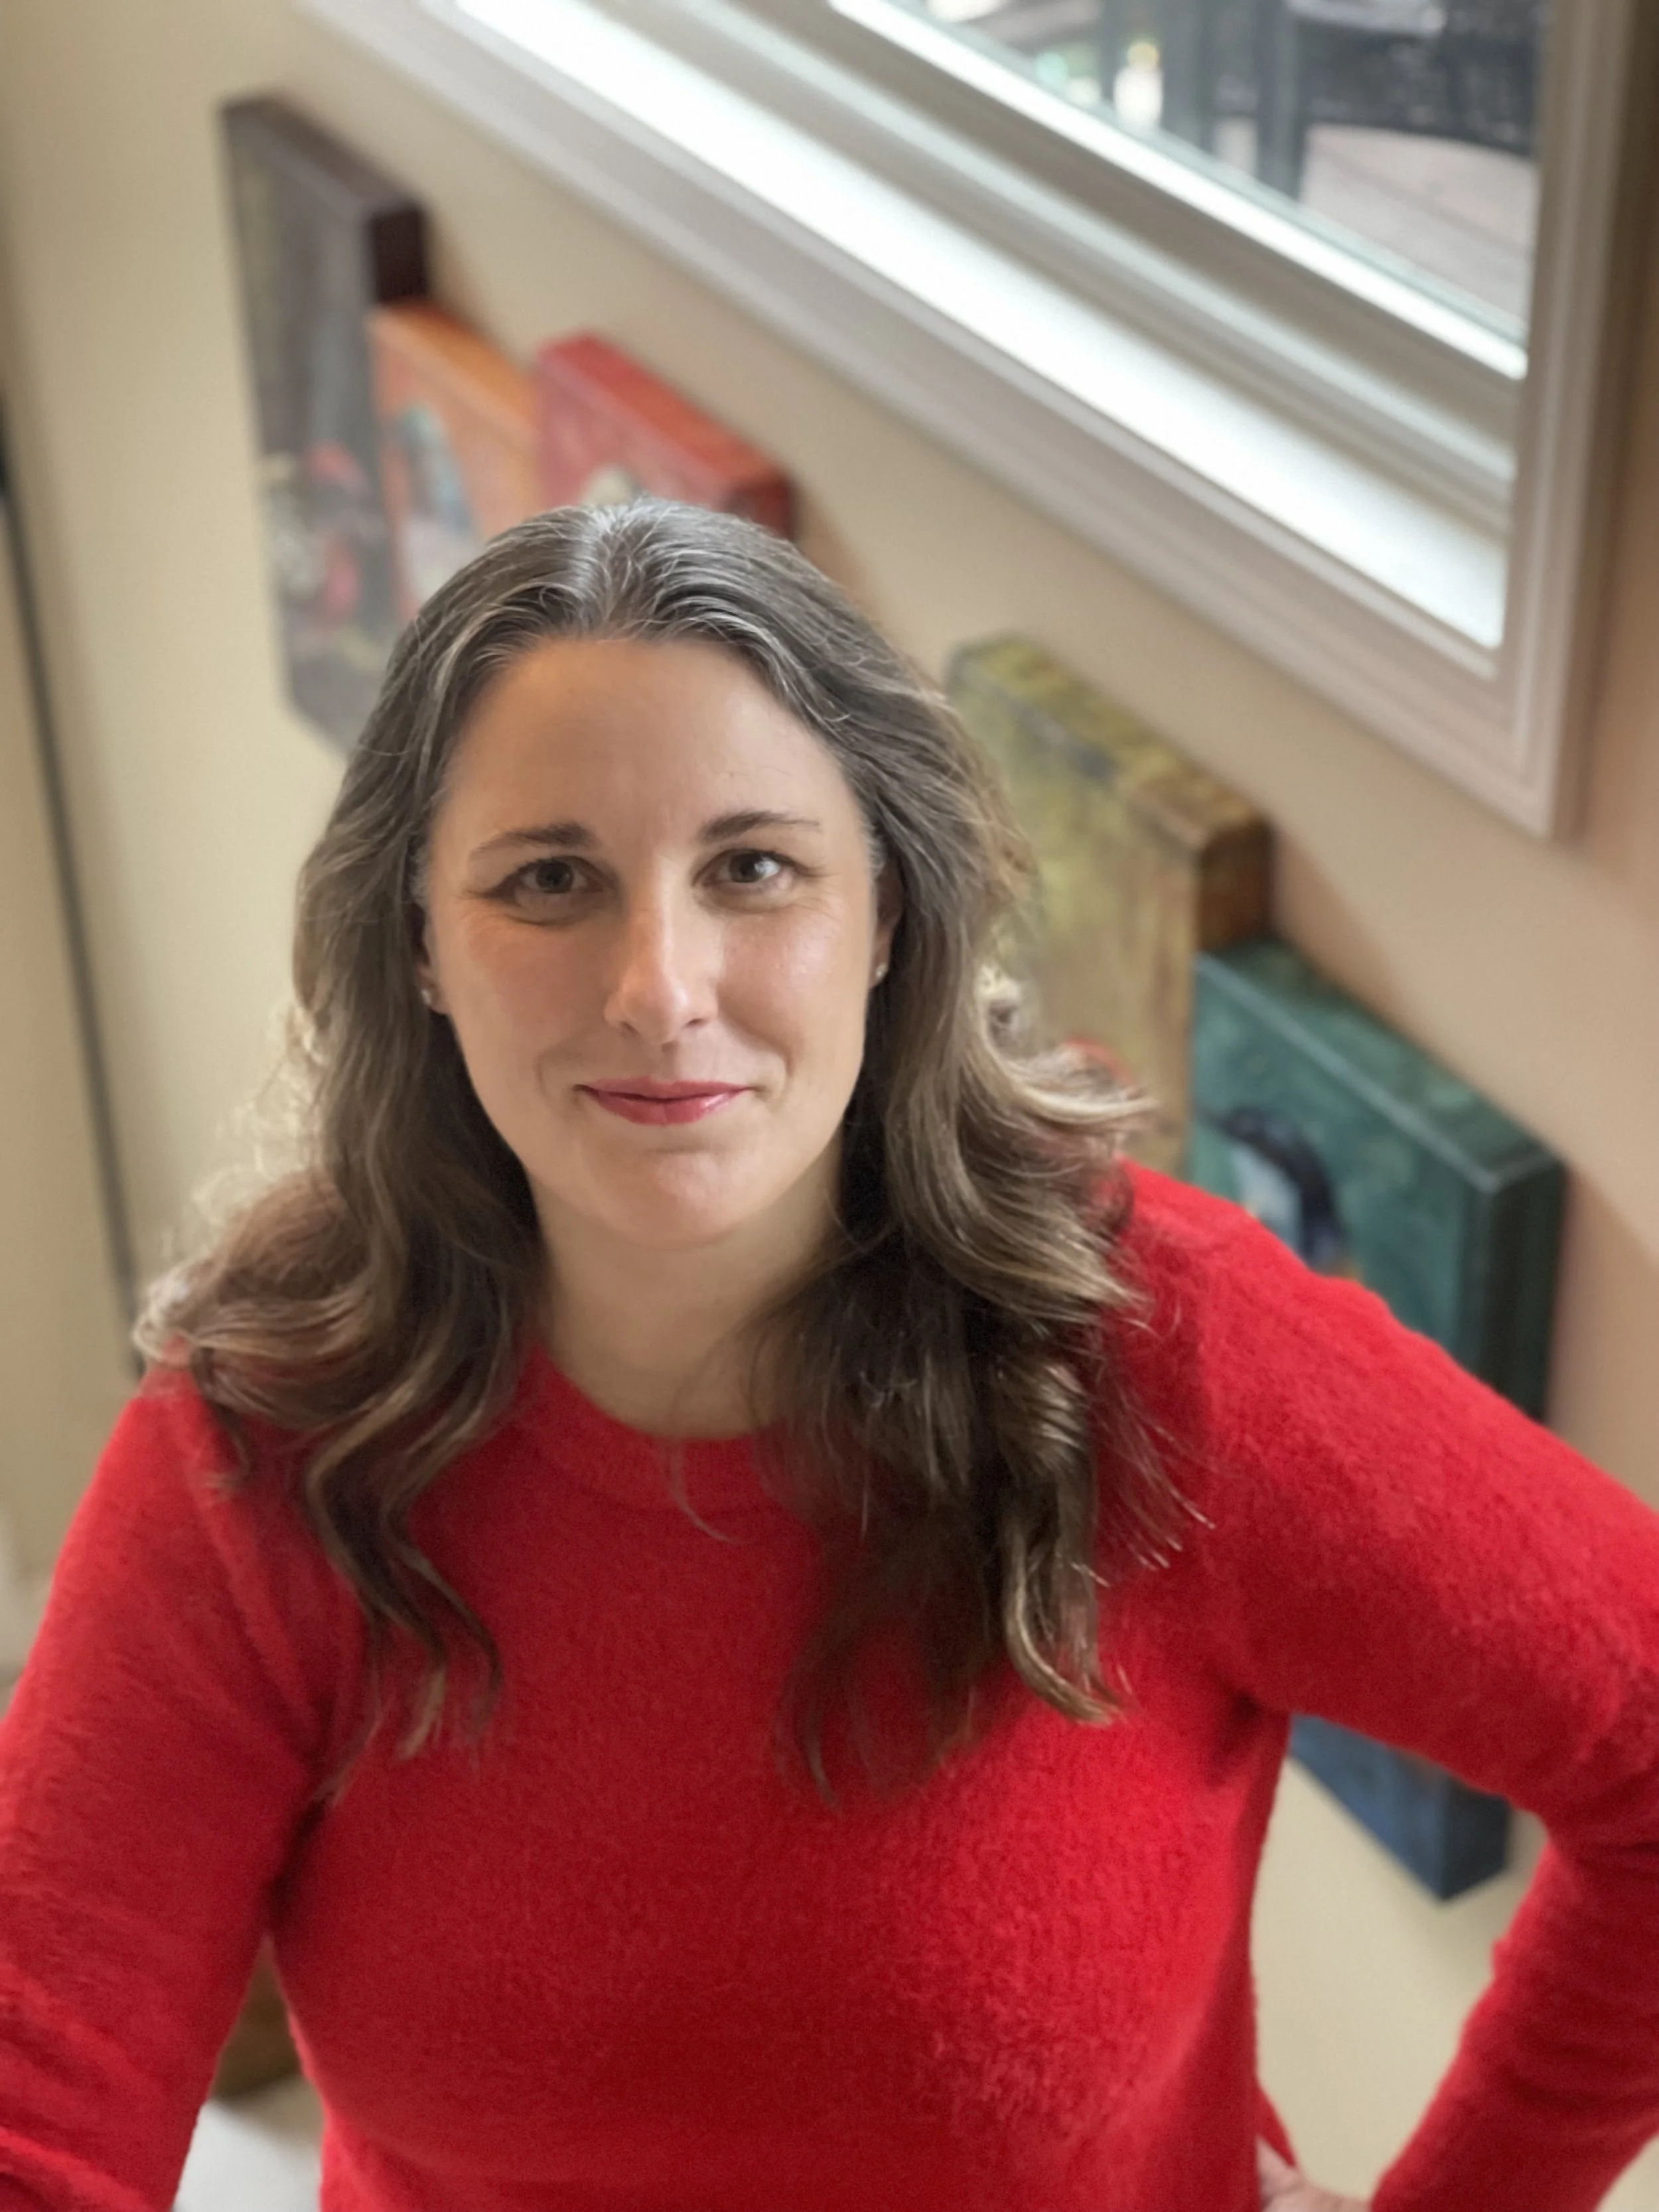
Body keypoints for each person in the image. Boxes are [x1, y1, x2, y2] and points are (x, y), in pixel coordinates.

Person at [2, 500, 1657, 2212]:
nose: (661, 985)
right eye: (550, 880)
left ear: (885, 917)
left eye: (754, 868)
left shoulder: (1162, 1360)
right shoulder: (264, 1443)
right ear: (419, 942)